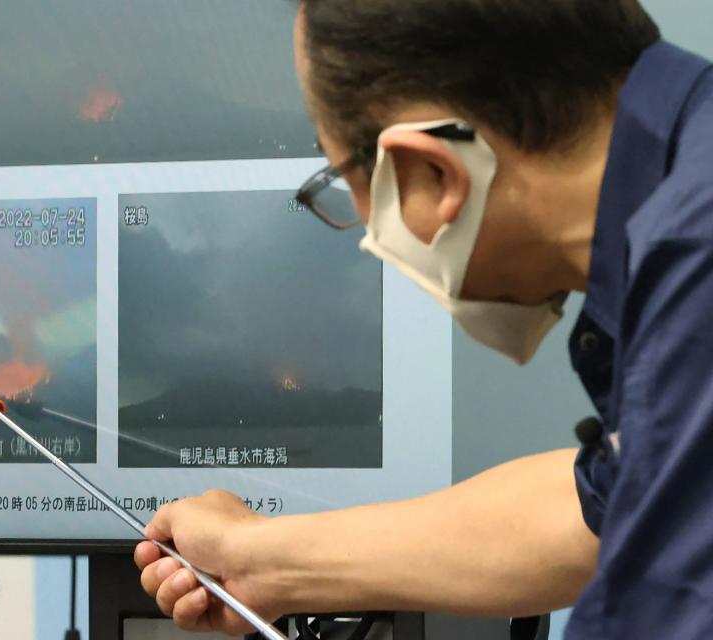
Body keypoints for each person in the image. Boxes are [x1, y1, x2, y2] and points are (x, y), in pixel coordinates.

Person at [134, 1, 713, 637]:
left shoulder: (695, 266)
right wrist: (264, 562)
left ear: (432, 170)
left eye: (343, 178)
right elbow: (608, 504)